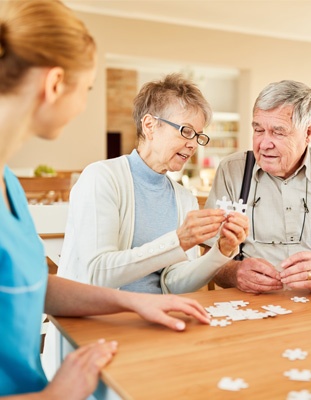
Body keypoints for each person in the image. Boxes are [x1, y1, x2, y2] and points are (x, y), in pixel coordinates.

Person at [0, 1, 211, 397]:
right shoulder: (103, 178)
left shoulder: (7, 183)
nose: (85, 104)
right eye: (89, 88)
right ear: (56, 83)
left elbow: (35, 285)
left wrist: (137, 303)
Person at [55, 73, 248, 294]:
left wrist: (220, 252)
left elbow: (173, 284)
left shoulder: (184, 199)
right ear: (149, 125)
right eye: (186, 131)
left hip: (159, 318)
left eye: (199, 136)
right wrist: (178, 240)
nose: (193, 144)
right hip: (99, 320)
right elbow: (98, 273)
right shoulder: (102, 178)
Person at [203, 80, 311, 294]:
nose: (264, 144)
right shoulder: (231, 170)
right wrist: (234, 273)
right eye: (258, 130)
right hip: (252, 304)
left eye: (278, 132)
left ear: (308, 133)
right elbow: (209, 257)